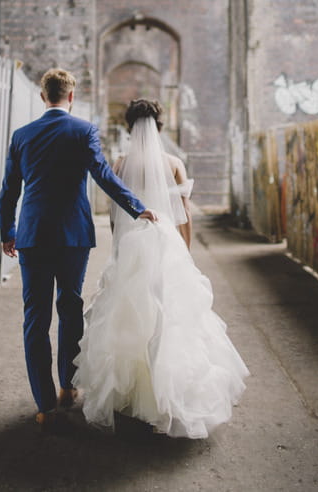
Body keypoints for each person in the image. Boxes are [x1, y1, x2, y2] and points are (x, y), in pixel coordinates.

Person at [73, 98, 249, 439]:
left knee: (131, 315)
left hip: (133, 247)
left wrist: (120, 246)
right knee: (171, 317)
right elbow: (186, 214)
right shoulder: (173, 163)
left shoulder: (122, 163)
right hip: (167, 247)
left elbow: (114, 213)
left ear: (129, 126)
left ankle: (132, 395)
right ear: (159, 126)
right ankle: (171, 397)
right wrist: (186, 250)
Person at [0, 69, 158, 433]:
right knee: (69, 306)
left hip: (33, 235)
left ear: (43, 97)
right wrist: (136, 206)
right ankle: (68, 386)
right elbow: (102, 174)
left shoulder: (22, 136)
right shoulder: (83, 130)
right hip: (73, 234)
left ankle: (43, 404)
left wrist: (8, 230)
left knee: (34, 318)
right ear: (70, 96)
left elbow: (9, 189)